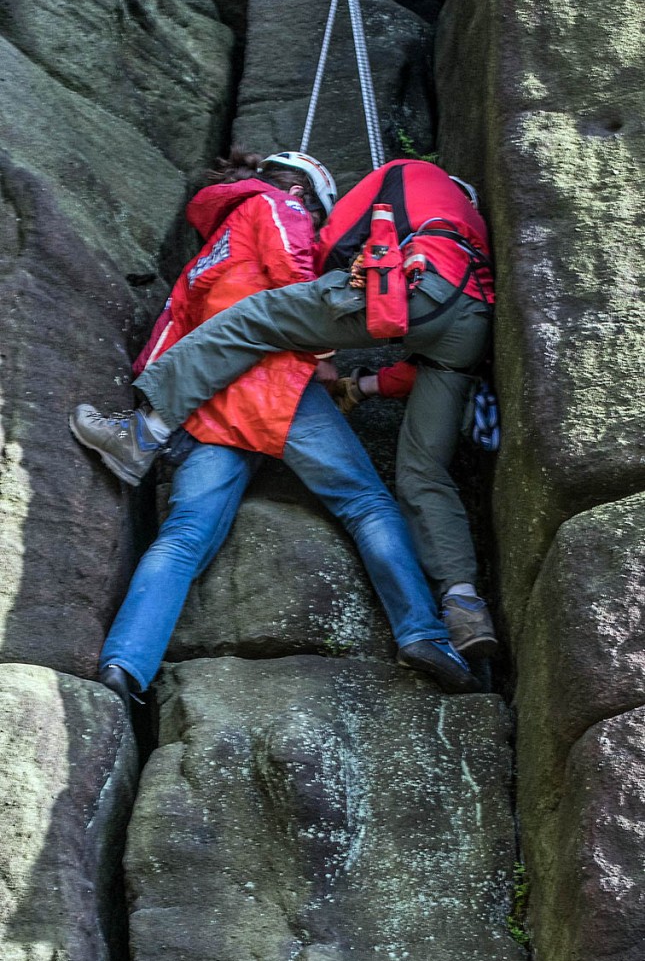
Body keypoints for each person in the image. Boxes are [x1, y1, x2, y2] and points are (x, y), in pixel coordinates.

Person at [71, 150, 479, 710]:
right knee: (366, 504)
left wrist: (167, 404)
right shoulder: (278, 204)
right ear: (303, 190)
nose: (313, 215)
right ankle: (424, 634)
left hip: (210, 397)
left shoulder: (212, 245)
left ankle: (124, 663)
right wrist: (330, 347)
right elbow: (295, 280)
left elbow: (174, 329)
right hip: (277, 383)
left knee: (186, 535)